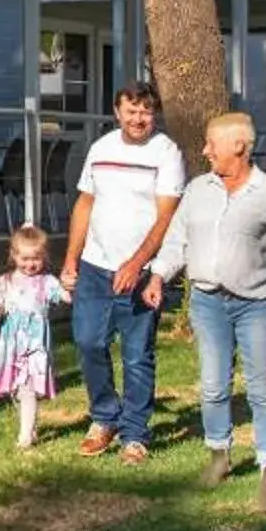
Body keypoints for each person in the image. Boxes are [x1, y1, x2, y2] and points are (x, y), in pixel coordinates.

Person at [148, 111, 266, 515]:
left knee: (262, 388)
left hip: (258, 303)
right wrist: (157, 277)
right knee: (212, 384)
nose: (205, 150)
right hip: (208, 301)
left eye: (211, 143)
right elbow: (177, 241)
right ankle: (219, 456)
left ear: (239, 146)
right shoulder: (198, 190)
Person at [60, 82, 186, 462]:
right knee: (87, 342)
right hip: (95, 267)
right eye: (131, 111)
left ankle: (135, 434)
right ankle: (104, 417)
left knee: (136, 355)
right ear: (117, 112)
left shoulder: (166, 153)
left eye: (145, 112)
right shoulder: (101, 149)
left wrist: (137, 264)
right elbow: (85, 203)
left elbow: (167, 216)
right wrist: (71, 258)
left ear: (154, 114)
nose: (138, 119)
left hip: (141, 271)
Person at [0, 223, 73, 451]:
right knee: (16, 389)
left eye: (36, 258)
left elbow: (65, 297)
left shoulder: (47, 281)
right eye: (25, 258)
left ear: (44, 257)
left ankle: (25, 436)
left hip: (35, 345)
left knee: (28, 388)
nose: (30, 264)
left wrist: (71, 285)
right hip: (12, 345)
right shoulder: (5, 282)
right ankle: (30, 426)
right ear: (14, 255)